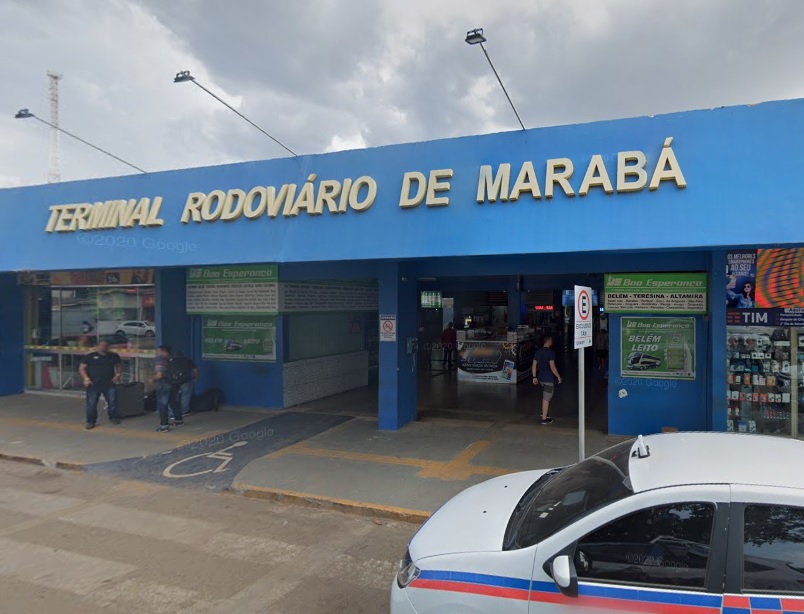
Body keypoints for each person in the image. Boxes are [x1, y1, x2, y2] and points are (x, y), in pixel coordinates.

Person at [78, 340, 123, 430]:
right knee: (91, 403)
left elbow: (119, 365)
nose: (104, 347)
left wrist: (118, 375)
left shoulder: (113, 356)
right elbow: (82, 368)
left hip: (109, 383)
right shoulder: (89, 356)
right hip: (93, 384)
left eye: (106, 345)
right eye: (102, 345)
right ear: (97, 346)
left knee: (113, 402)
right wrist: (86, 379)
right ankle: (91, 421)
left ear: (108, 347)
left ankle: (113, 417)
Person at [532, 335, 562, 425]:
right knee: (546, 398)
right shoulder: (550, 353)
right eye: (551, 341)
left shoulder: (538, 352)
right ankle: (544, 419)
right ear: (548, 342)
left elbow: (534, 365)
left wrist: (534, 377)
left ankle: (544, 413)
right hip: (548, 379)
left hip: (541, 378)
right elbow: (552, 367)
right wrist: (558, 376)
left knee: (546, 396)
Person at [164, 350, 199, 428]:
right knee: (186, 395)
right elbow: (195, 370)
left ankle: (173, 413)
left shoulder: (171, 361)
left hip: (174, 381)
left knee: (173, 398)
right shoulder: (188, 360)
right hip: (186, 380)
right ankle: (184, 411)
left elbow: (166, 372)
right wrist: (196, 378)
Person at [153, 345, 174, 433]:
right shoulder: (170, 359)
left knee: (162, 405)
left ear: (162, 351)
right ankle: (177, 420)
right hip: (170, 384)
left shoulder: (160, 359)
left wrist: (151, 379)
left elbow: (159, 375)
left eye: (159, 350)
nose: (158, 352)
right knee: (172, 402)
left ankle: (164, 426)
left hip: (162, 385)